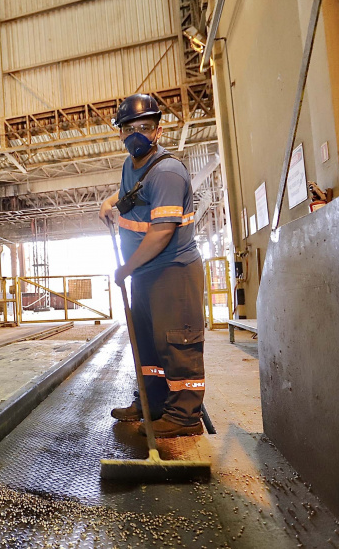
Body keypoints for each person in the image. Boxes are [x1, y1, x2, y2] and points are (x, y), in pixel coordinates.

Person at [98, 93, 206, 438]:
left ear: (158, 131)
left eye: (144, 127)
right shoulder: (132, 166)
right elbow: (133, 193)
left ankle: (184, 415)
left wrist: (125, 269)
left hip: (172, 270)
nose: (136, 134)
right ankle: (153, 401)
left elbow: (161, 233)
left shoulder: (170, 172)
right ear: (120, 133)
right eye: (129, 128)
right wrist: (109, 201)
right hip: (145, 273)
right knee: (147, 342)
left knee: (177, 342)